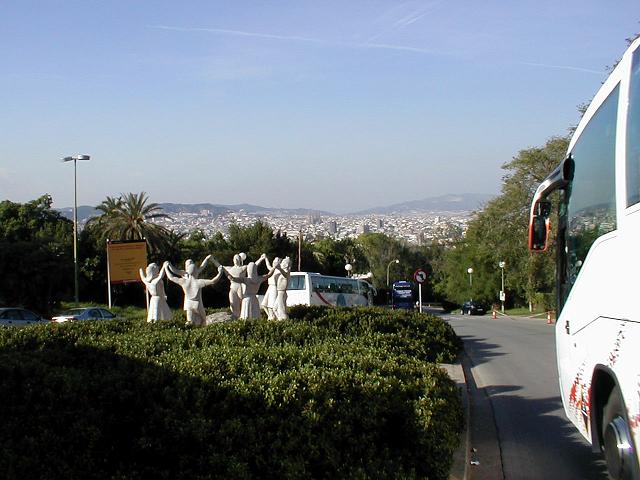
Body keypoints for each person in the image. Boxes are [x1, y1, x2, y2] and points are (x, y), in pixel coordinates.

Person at [165, 258, 224, 326]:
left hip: (189, 304)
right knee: (203, 320)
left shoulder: (183, 281)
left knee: (189, 321)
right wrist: (220, 273)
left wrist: (166, 268)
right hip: (197, 304)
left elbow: (171, 277)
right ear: (196, 272)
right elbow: (213, 281)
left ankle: (187, 330)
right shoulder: (198, 282)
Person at [223, 253, 265, 318]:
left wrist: (261, 259)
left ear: (240, 260)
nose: (236, 260)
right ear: (233, 260)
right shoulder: (229, 268)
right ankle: (234, 317)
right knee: (233, 303)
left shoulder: (243, 267)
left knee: (241, 304)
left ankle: (241, 318)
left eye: (238, 258)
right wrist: (212, 260)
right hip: (233, 287)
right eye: (235, 258)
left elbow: (253, 266)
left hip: (240, 287)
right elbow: (220, 266)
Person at [260, 255, 280, 320]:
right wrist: (266, 258)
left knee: (271, 305)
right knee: (263, 304)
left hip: (274, 288)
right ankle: (270, 316)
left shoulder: (279, 271)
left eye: (276, 262)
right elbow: (268, 265)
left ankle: (273, 317)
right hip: (270, 287)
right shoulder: (272, 269)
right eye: (274, 261)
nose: (274, 263)